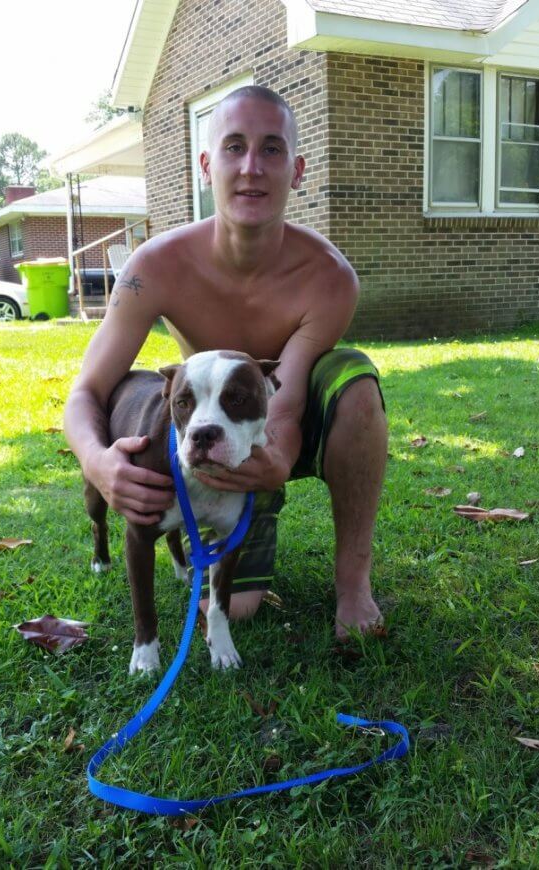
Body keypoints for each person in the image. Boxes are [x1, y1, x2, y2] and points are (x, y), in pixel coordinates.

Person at [64, 85, 387, 639]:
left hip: (278, 417)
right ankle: (234, 531)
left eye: (272, 149)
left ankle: (354, 583)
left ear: (298, 169)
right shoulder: (156, 266)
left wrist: (277, 456)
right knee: (237, 609)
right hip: (211, 438)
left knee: (354, 377)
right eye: (234, 147)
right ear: (207, 165)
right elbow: (87, 391)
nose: (252, 167)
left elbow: (285, 397)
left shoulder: (330, 278)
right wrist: (99, 463)